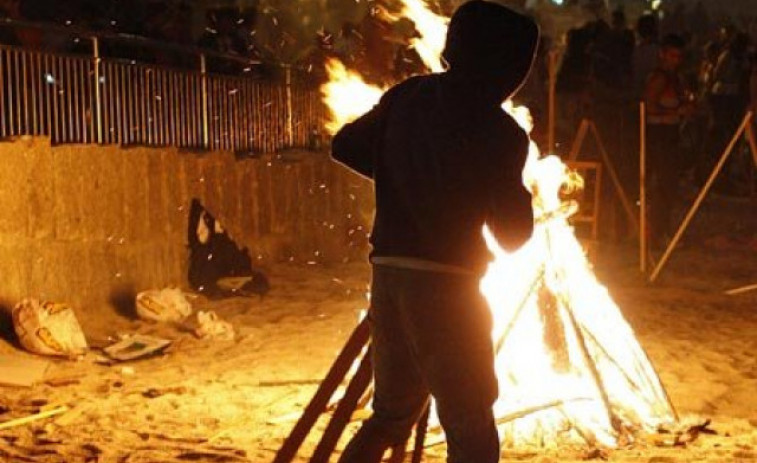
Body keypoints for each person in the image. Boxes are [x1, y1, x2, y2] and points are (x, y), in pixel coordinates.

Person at [331, 2, 538, 462]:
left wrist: (401, 176)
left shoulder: (407, 96)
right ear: (509, 67)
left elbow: (344, 145)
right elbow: (512, 236)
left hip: (387, 277)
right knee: (470, 429)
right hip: (449, 288)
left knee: (389, 415)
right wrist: (519, 195)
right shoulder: (501, 132)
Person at [644, 34, 694, 250]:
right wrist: (676, 110)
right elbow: (649, 106)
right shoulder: (659, 78)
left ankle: (662, 231)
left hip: (671, 135)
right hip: (659, 136)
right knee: (663, 187)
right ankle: (656, 234)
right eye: (672, 55)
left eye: (679, 56)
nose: (675, 60)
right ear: (662, 54)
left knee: (669, 187)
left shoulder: (676, 78)